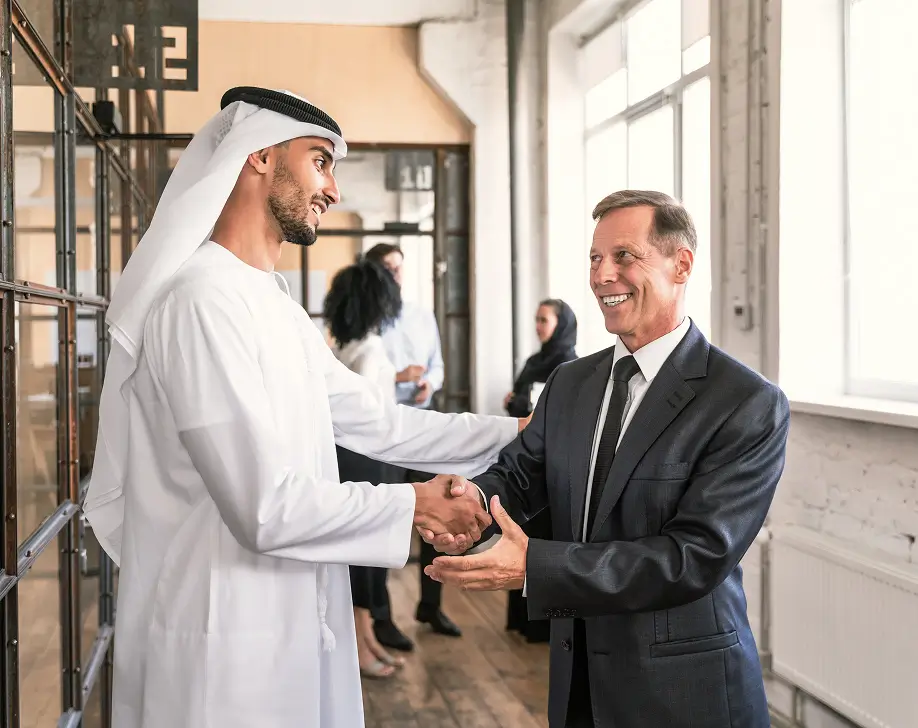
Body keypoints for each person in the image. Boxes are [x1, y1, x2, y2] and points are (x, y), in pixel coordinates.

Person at [82, 86, 528, 728]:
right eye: (321, 161)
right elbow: (262, 507)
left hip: (288, 614)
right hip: (218, 637)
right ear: (259, 155)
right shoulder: (200, 301)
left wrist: (525, 432)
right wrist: (415, 503)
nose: (333, 190)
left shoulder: (276, 307)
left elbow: (382, 424)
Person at [423, 190, 790, 728]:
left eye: (624, 256)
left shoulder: (746, 402)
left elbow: (694, 556)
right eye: (595, 258)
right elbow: (520, 474)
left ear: (681, 265)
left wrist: (534, 567)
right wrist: (471, 505)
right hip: (576, 683)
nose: (601, 275)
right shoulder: (571, 382)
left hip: (684, 691)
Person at [363, 243, 462, 649]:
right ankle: (380, 616)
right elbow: (362, 376)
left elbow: (438, 364)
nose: (395, 274)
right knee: (385, 521)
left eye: (399, 267)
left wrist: (429, 383)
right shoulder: (368, 320)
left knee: (438, 517)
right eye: (387, 267)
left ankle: (431, 605)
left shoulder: (423, 315)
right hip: (384, 433)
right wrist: (398, 376)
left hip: (423, 428)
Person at [323, 258, 406, 679]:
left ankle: (365, 636)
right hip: (370, 458)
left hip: (347, 458)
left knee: (357, 553)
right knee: (367, 555)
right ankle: (360, 644)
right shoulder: (370, 349)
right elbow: (373, 414)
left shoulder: (341, 346)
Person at [503, 299, 577, 643]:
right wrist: (514, 403)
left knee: (546, 541)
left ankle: (546, 626)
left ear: (561, 324)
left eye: (544, 320)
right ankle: (524, 622)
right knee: (523, 534)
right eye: (536, 319)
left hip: (554, 465)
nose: (538, 326)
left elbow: (562, 414)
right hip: (528, 458)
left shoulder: (572, 366)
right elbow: (522, 402)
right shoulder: (535, 360)